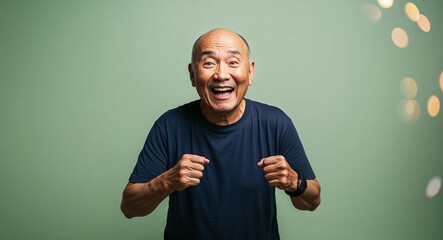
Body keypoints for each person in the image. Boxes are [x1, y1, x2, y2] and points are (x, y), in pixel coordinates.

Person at [120, 28, 321, 240]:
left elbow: (312, 201)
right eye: (208, 63)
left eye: (233, 62)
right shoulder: (169, 126)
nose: (222, 75)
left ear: (250, 72)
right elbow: (130, 208)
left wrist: (295, 182)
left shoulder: (276, 123)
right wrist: (167, 181)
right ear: (192, 74)